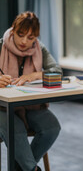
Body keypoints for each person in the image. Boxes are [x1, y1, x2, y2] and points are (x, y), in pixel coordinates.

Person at [0, 12, 61, 171]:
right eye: (21, 35)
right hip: (1, 108)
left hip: (30, 105)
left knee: (52, 127)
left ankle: (21, 168)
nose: (24, 41)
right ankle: (32, 169)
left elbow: (58, 73)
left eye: (31, 37)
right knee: (15, 127)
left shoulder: (39, 48)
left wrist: (35, 75)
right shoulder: (0, 46)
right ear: (13, 30)